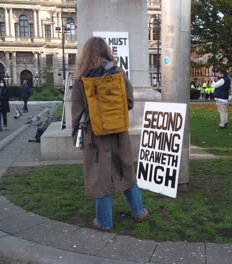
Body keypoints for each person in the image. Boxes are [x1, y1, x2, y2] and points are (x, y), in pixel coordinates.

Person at [71, 37, 149, 231]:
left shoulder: (82, 78)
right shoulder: (118, 73)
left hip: (95, 135)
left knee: (100, 177)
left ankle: (104, 222)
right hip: (119, 133)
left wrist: (76, 137)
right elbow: (129, 102)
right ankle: (139, 212)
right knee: (125, 170)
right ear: (106, 51)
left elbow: (77, 112)